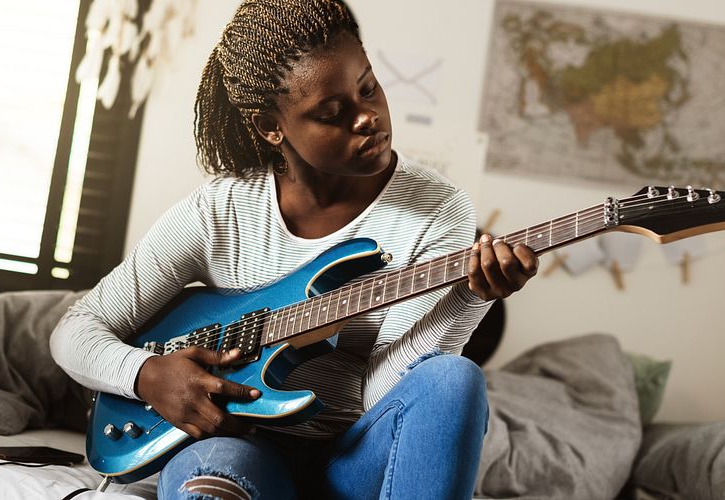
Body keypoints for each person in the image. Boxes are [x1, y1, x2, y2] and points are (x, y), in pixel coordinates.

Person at [50, 1, 539, 498]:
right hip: (242, 446)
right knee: (210, 481)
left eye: (368, 87)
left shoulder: (437, 206)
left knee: (453, 379)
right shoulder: (220, 211)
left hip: (356, 452)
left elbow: (381, 393)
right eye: (332, 113)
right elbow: (74, 331)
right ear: (271, 127)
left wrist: (470, 297)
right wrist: (146, 375)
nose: (368, 116)